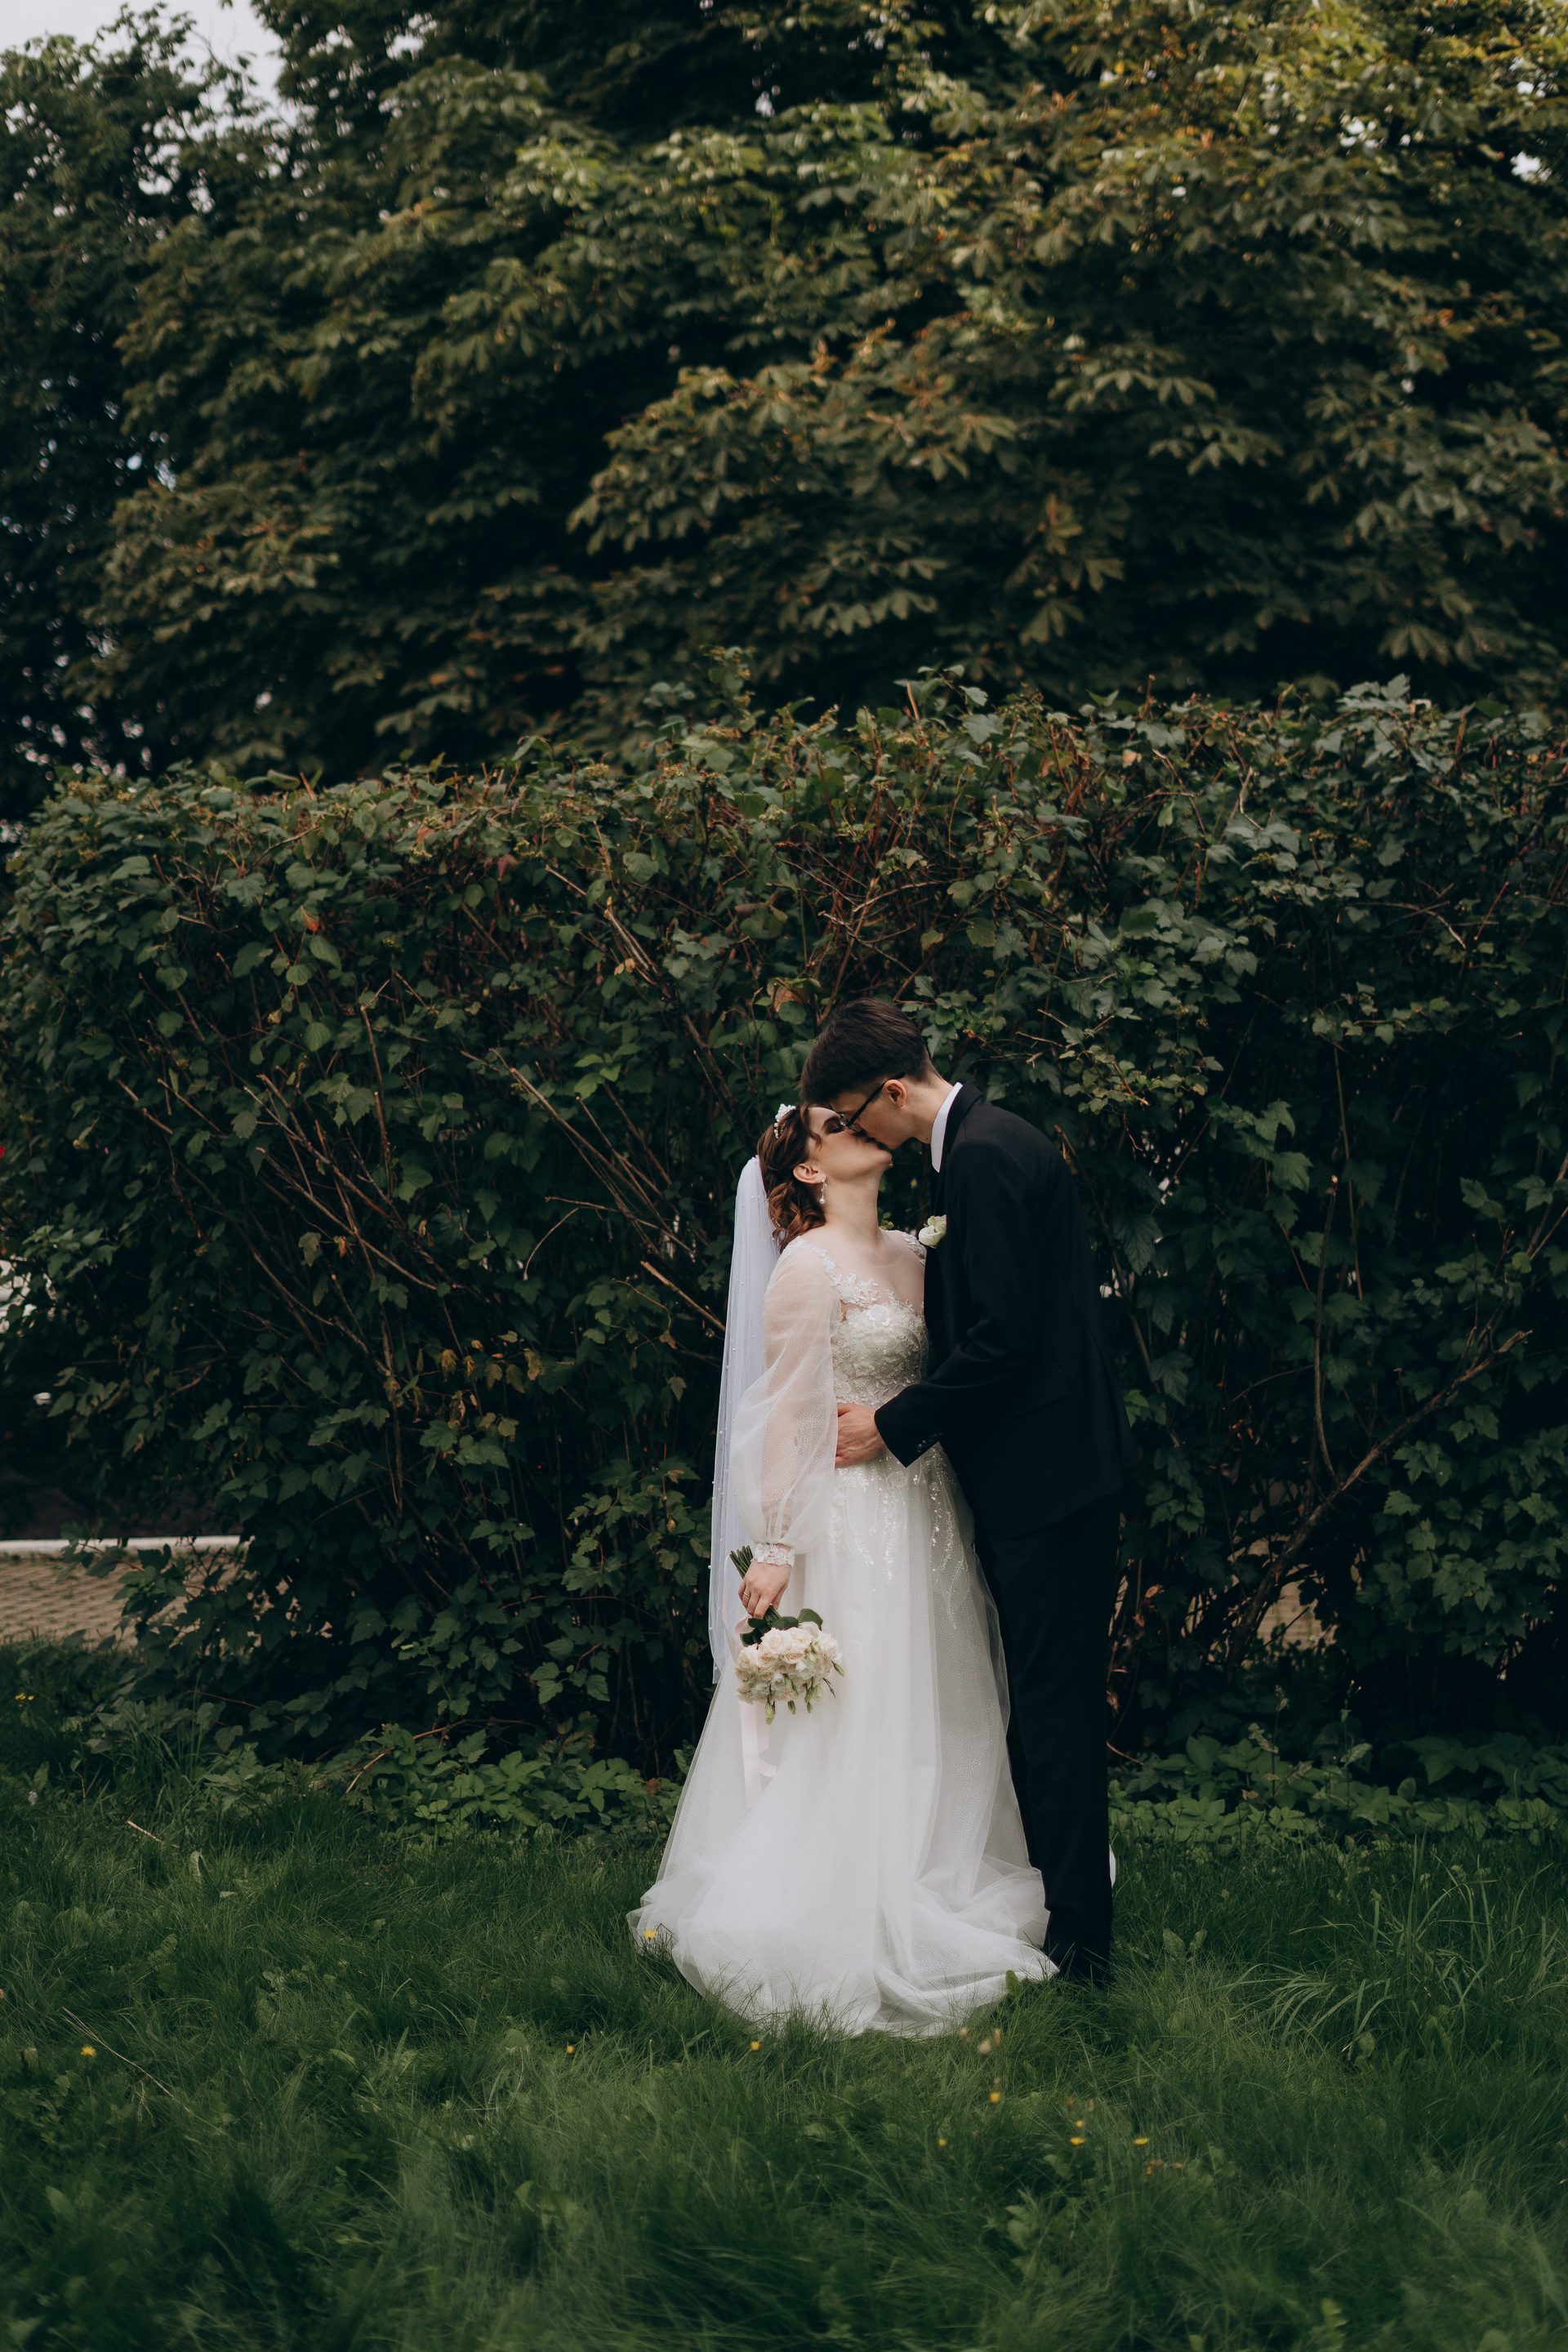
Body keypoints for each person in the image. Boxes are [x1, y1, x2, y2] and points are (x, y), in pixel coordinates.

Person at [630, 1099, 1054, 2034]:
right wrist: (778, 1544)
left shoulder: (916, 1253)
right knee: (862, 1701)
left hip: (930, 1508)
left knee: (939, 1693)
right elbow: (783, 1415)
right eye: (835, 1125)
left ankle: (931, 1872)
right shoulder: (805, 1267)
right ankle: (847, 1896)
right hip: (852, 1518)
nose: (860, 1125)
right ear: (810, 1170)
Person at [799, 1000, 1137, 1983]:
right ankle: (1064, 1914)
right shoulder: (979, 1146)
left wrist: (893, 1423)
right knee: (1042, 1705)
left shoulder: (985, 1156)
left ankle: (1082, 1946)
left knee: (1055, 1712)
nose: (860, 1134)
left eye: (856, 1115)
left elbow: (1006, 1339)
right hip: (1047, 1473)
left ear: (891, 1091)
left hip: (1051, 1480)